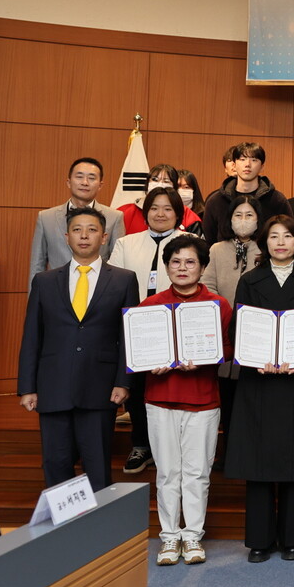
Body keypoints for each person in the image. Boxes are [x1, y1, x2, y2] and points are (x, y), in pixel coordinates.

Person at [226, 215, 294, 563]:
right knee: (258, 464)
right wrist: (253, 357)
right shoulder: (249, 280)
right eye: (273, 236)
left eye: (288, 236)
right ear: (264, 242)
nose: (280, 242)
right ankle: (259, 540)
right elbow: (239, 330)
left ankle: (290, 538)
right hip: (258, 381)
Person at [18, 207, 139, 490]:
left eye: (92, 230)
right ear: (66, 237)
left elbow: (129, 335)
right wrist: (27, 387)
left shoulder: (124, 279)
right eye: (77, 230)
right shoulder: (45, 281)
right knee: (56, 463)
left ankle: (98, 531)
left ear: (105, 237)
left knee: (97, 465)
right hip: (53, 385)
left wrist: (124, 381)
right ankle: (62, 530)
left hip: (100, 386)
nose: (84, 235)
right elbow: (32, 336)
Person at [139, 235, 233, 567]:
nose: (182, 268)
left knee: (197, 472)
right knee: (167, 472)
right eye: (175, 262)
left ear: (203, 267)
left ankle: (192, 535)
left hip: (203, 399)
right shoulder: (148, 307)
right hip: (160, 398)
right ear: (166, 267)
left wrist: (207, 358)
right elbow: (137, 352)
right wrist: (150, 362)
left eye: (190, 261)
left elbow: (227, 349)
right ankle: (168, 537)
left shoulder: (218, 306)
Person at [109, 186, 188, 475]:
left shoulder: (190, 241)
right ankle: (141, 445)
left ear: (178, 213)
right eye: (155, 207)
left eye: (168, 208)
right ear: (145, 212)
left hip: (178, 328)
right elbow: (114, 286)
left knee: (174, 386)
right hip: (137, 330)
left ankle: (175, 447)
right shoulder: (126, 244)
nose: (160, 213)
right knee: (140, 389)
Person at [201, 195, 264, 459]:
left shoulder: (266, 247)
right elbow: (207, 287)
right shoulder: (216, 249)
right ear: (229, 218)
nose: (243, 220)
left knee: (253, 402)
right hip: (223, 332)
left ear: (259, 219)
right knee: (226, 402)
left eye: (249, 215)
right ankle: (227, 456)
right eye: (238, 215)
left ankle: (250, 453)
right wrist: (227, 313)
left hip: (256, 336)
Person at [28, 157, 124, 286]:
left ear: (100, 185)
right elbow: (37, 265)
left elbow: (117, 263)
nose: (85, 182)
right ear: (68, 182)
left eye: (91, 178)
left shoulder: (114, 217)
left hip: (98, 293)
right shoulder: (46, 218)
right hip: (56, 292)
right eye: (79, 177)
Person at [202, 142, 292, 244]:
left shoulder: (277, 200)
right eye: (242, 159)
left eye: (254, 160)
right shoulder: (216, 201)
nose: (247, 164)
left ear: (262, 167)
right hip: (224, 258)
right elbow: (209, 238)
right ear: (234, 165)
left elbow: (288, 233)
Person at [118, 164, 204, 236]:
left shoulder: (189, 216)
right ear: (147, 183)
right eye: (155, 179)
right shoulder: (125, 212)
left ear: (174, 187)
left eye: (166, 181)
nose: (160, 184)